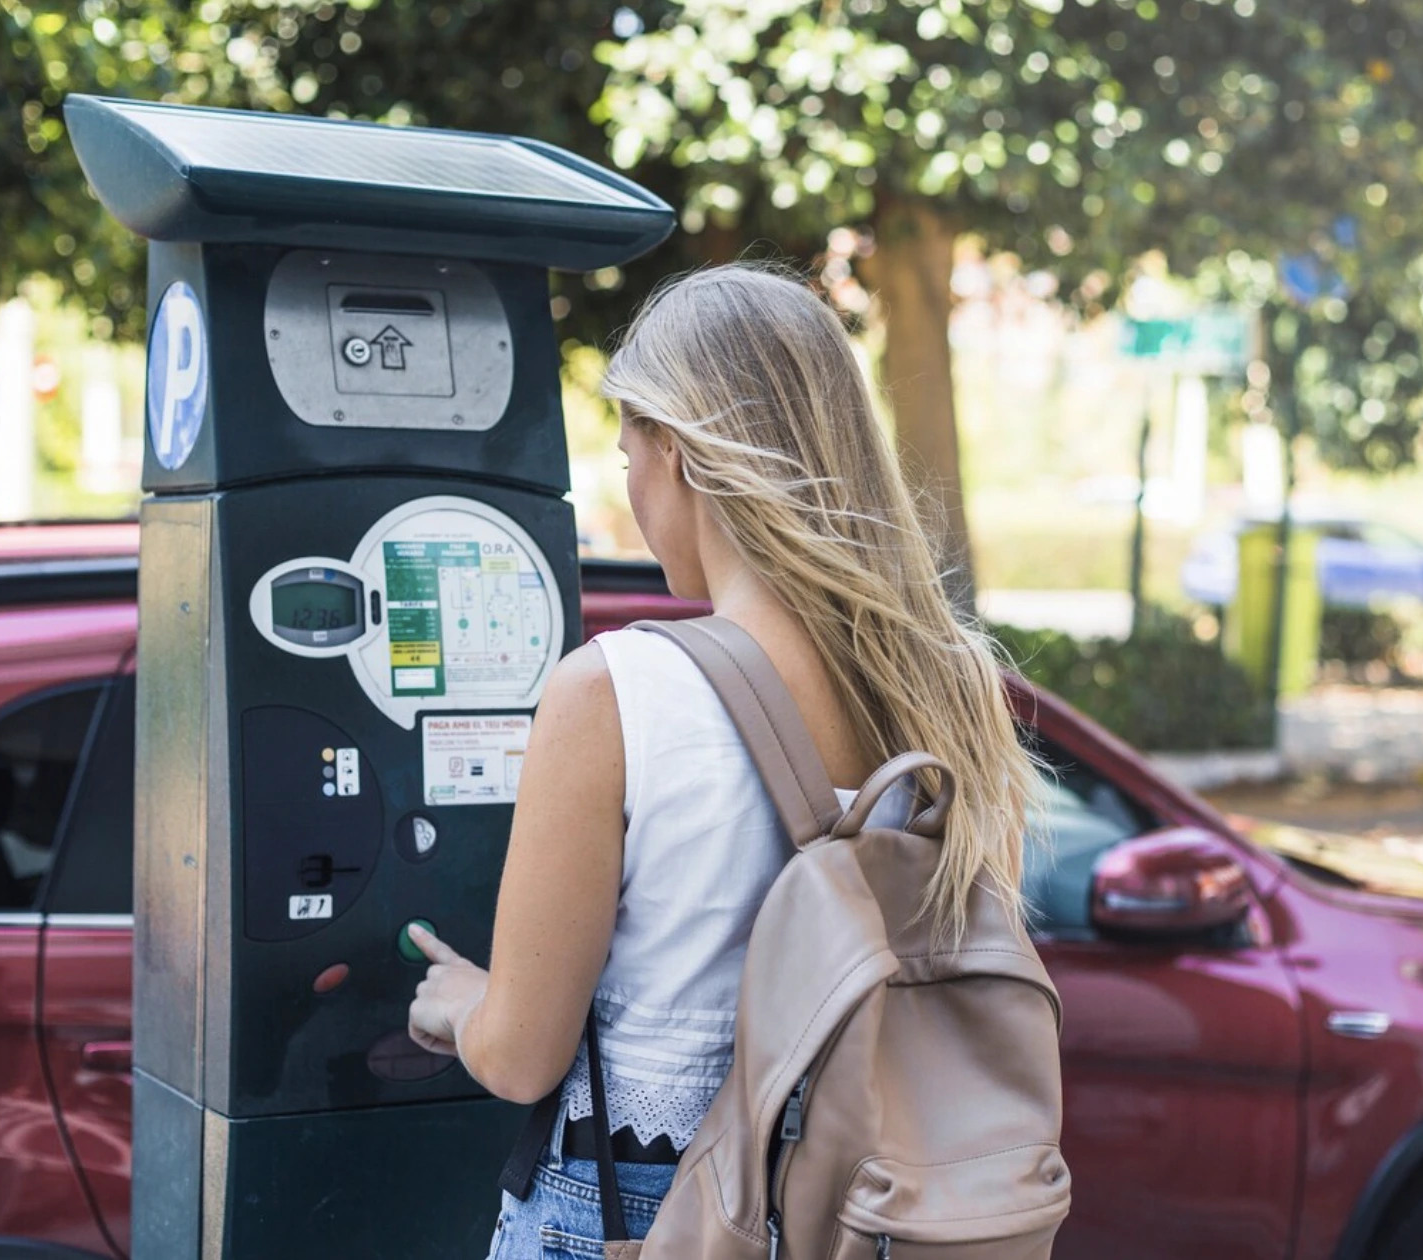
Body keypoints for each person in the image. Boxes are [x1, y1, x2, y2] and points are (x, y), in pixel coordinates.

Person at [404, 263, 1038, 1256]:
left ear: (681, 454)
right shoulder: (943, 681)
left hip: (633, 1215)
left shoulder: (613, 690)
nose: (631, 489)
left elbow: (522, 1059)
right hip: (855, 1209)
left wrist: (462, 1002)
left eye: (628, 455)